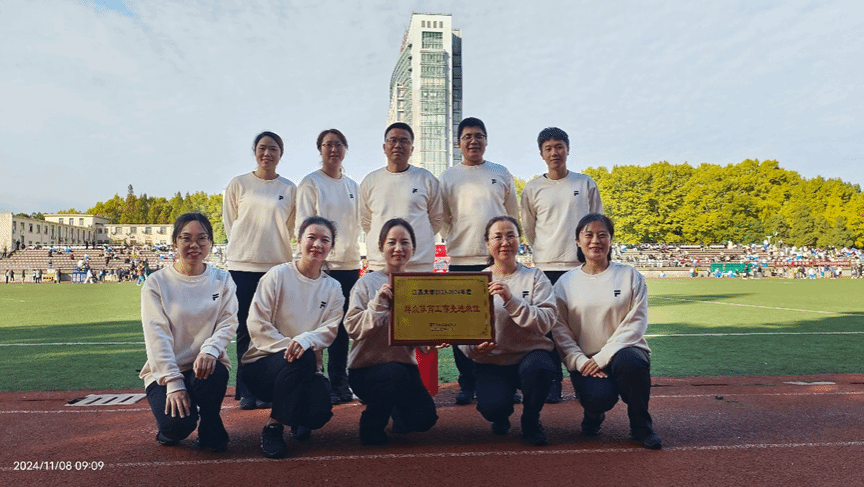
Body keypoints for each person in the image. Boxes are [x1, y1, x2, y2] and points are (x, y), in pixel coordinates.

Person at [551, 213, 662, 450]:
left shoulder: (629, 276)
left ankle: (641, 427)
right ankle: (593, 413)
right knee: (598, 398)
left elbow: (636, 322)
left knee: (634, 363)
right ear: (577, 241)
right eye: (588, 235)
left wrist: (604, 356)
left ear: (611, 240)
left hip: (624, 352)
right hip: (586, 360)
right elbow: (560, 330)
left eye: (602, 235)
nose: (595, 241)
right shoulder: (564, 283)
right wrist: (581, 361)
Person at [241, 217, 344, 459]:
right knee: (303, 356)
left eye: (325, 240)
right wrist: (294, 346)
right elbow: (257, 323)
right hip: (262, 367)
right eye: (311, 237)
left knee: (319, 413)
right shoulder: (277, 275)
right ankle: (274, 426)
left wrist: (305, 341)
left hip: (305, 369)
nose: (317, 244)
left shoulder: (333, 288)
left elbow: (330, 330)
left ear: (331, 247)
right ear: (298, 240)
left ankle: (296, 414)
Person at [139, 213, 238, 452]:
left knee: (213, 372)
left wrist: (211, 349)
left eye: (202, 238)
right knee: (177, 427)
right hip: (167, 371)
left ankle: (210, 423)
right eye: (186, 238)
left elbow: (228, 322)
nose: (194, 245)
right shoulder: (157, 283)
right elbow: (157, 336)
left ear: (210, 243)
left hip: (205, 366)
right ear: (175, 242)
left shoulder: (222, 280)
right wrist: (173, 382)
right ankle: (170, 426)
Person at [439, 117, 519, 406]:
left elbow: (512, 214)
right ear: (458, 143)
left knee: (502, 320)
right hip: (462, 258)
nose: (473, 141)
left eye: (479, 136)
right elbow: (442, 217)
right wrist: (456, 237)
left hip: (496, 258)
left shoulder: (500, 172)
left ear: (486, 140)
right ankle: (467, 382)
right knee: (461, 324)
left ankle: (505, 379)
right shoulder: (448, 177)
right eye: (467, 136)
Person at [521, 127, 604, 404]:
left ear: (567, 150)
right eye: (548, 148)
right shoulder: (533, 189)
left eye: (559, 147)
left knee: (582, 325)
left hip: (579, 265)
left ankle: (585, 378)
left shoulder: (585, 183)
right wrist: (545, 251)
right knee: (548, 328)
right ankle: (553, 382)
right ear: (541, 154)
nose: (554, 152)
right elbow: (529, 229)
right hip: (546, 265)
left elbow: (597, 223)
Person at [458, 216, 557, 446]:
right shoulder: (476, 281)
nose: (505, 242)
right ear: (487, 243)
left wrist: (511, 300)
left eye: (511, 235)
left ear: (519, 241)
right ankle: (500, 415)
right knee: (492, 408)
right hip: (492, 361)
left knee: (541, 368)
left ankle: (531, 419)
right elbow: (463, 329)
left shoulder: (535, 277)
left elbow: (546, 322)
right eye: (498, 237)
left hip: (530, 356)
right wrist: (474, 349)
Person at [344, 218, 439, 445]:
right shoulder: (365, 284)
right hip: (365, 371)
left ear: (413, 248)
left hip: (403, 369)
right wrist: (377, 304)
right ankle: (370, 426)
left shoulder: (417, 286)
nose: (398, 248)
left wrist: (432, 340)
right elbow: (353, 329)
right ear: (381, 247)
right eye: (392, 242)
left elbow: (421, 339)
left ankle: (396, 407)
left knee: (424, 419)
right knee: (392, 374)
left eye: (405, 242)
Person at [223, 131, 297, 410]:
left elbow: (290, 228)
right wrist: (246, 249)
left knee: (272, 329)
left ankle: (269, 387)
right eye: (263, 148)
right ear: (255, 151)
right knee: (245, 328)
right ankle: (246, 390)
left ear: (281, 154)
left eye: (273, 149)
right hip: (243, 265)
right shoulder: (239, 184)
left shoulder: (290, 189)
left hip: (276, 267)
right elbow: (231, 223)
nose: (267, 153)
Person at [296, 129, 361, 405]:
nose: (333, 149)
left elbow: (360, 224)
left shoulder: (353, 186)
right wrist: (315, 261)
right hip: (323, 266)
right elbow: (304, 226)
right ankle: (314, 379)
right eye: (327, 144)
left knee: (343, 326)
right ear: (320, 149)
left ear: (345, 148)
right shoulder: (310, 183)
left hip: (350, 263)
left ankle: (339, 381)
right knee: (319, 323)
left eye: (338, 144)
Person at [359, 122, 443, 272]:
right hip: (380, 265)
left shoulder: (426, 179)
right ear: (384, 147)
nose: (398, 145)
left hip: (419, 265)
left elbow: (436, 219)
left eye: (404, 141)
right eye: (393, 140)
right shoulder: (370, 181)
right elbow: (366, 221)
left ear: (412, 149)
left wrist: (417, 240)